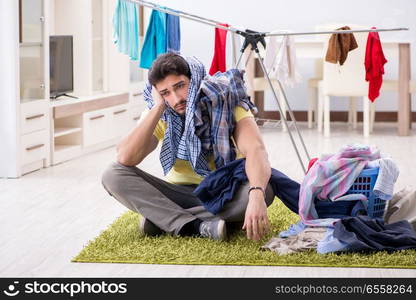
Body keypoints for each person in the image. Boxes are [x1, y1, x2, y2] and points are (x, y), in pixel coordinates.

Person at [101, 53, 275, 241]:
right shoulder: (162, 112)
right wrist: (158, 107)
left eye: (180, 86)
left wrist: (256, 196)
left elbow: (256, 150)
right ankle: (195, 226)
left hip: (225, 191)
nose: (176, 99)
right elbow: (125, 157)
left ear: (193, 80)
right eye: (165, 93)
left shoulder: (226, 100)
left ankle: (164, 218)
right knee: (112, 174)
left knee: (264, 191)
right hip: (179, 193)